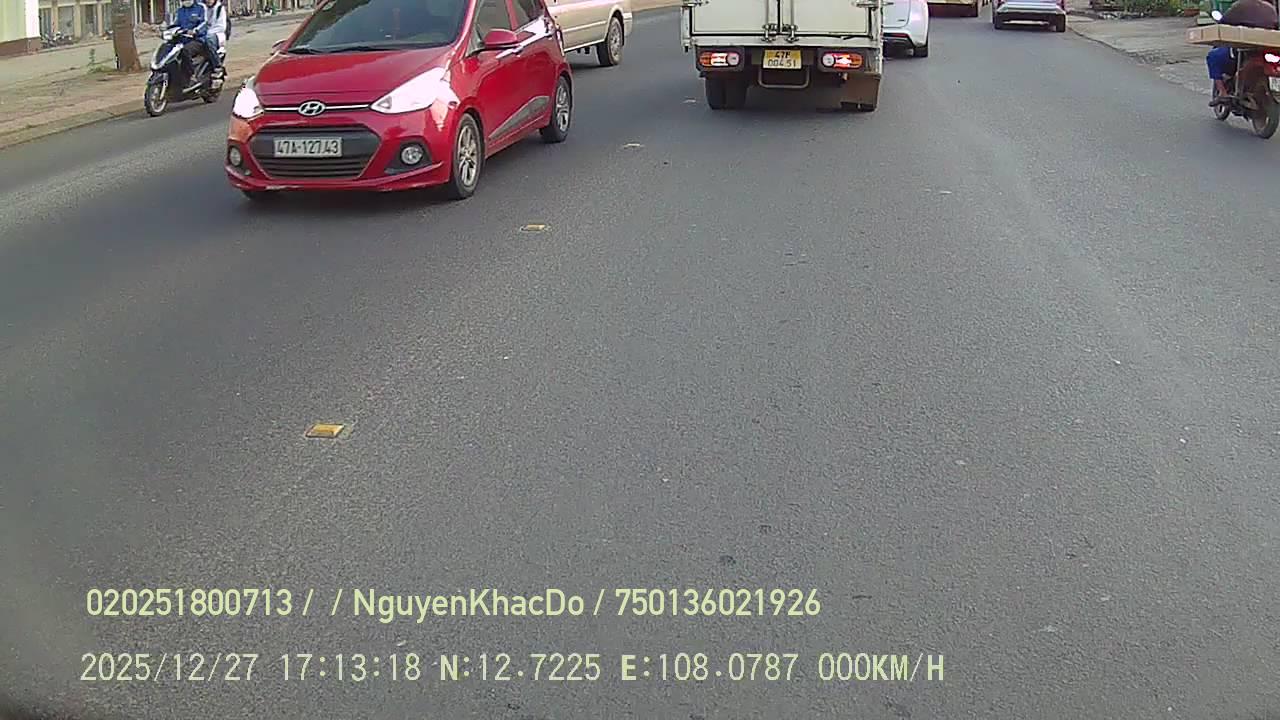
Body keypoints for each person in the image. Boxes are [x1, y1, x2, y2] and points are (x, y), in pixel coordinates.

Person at [1207, 0, 1279, 105]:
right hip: (1264, 47)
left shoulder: (1240, 6)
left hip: (1244, 47)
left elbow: (1224, 22)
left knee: (1213, 56)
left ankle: (1222, 92)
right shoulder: (1270, 8)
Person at [203, 0, 228, 78]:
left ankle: (217, 66)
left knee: (209, 40)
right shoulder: (202, 8)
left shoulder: (220, 9)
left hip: (217, 34)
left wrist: (208, 32)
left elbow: (221, 27)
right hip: (203, 34)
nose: (208, 1)